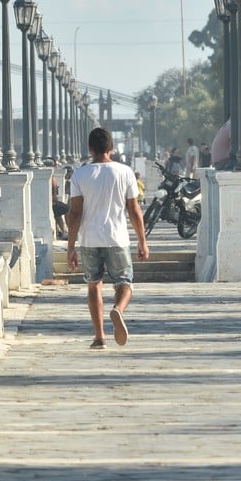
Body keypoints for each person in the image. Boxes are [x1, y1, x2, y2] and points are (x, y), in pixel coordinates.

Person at [67, 127, 150, 349]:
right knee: (124, 284)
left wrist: (70, 247)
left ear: (90, 149)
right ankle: (118, 310)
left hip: (89, 239)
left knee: (94, 286)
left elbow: (75, 214)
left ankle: (99, 337)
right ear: (111, 149)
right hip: (117, 238)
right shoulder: (125, 172)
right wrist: (142, 240)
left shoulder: (80, 175)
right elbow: (134, 210)